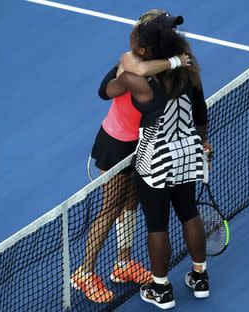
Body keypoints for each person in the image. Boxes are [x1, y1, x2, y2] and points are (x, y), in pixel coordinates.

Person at [70, 11, 190, 304]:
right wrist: (175, 62)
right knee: (109, 208)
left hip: (139, 145)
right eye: (165, 31)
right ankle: (84, 272)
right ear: (146, 42)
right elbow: (127, 82)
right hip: (115, 145)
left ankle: (123, 263)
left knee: (131, 204)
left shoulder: (152, 62)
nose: (171, 35)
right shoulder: (131, 64)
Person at [104, 20, 212, 309]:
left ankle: (161, 289)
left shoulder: (138, 80)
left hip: (157, 158)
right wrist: (203, 144)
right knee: (189, 212)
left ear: (144, 50)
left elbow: (106, 91)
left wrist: (124, 66)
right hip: (188, 150)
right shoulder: (190, 72)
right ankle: (200, 277)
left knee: (157, 224)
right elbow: (200, 112)